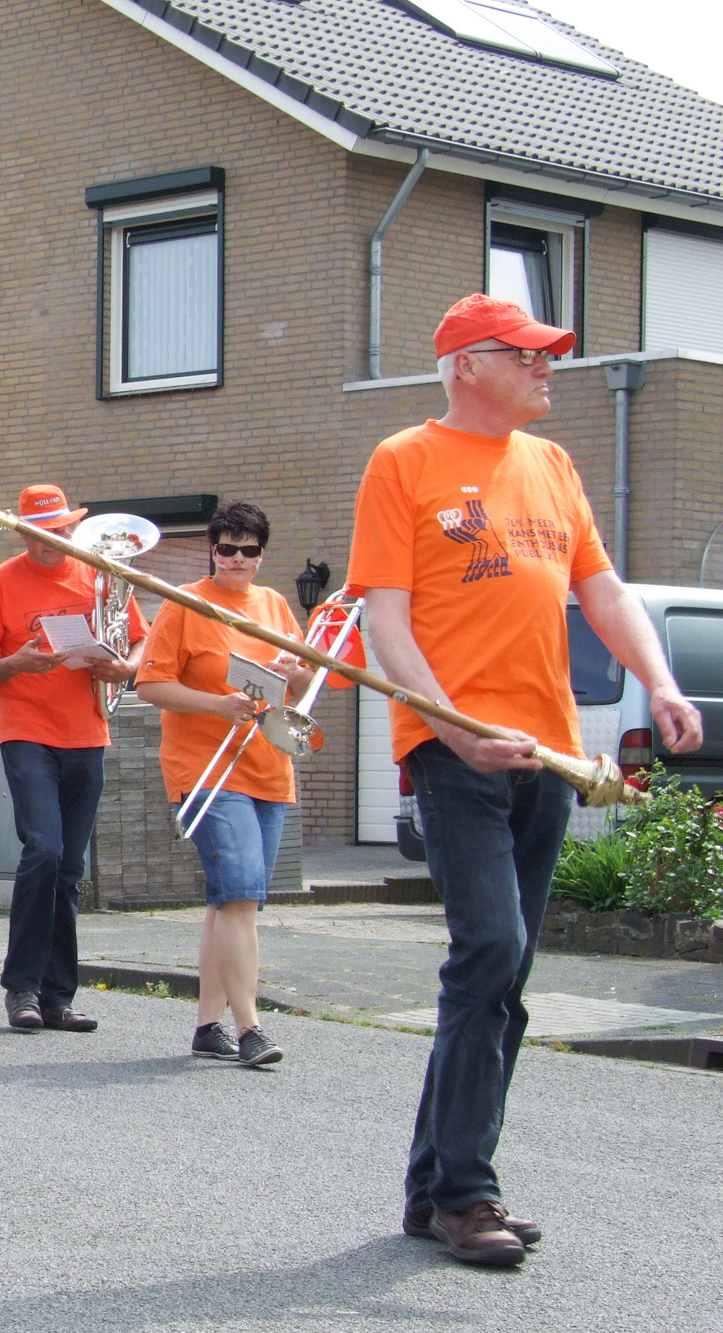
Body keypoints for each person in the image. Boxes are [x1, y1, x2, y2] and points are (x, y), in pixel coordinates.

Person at [349, 294, 701, 1267]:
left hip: (546, 751)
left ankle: (434, 1187)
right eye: (528, 354)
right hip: (455, 750)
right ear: (466, 364)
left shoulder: (551, 464)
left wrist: (660, 680)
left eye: (549, 355)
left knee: (503, 971)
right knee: (491, 948)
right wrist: (452, 728)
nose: (548, 368)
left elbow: (601, 591)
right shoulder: (402, 461)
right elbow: (384, 621)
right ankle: (466, 1193)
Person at [0, 484, 147, 1034]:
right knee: (43, 849)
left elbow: (141, 642)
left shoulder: (100, 575)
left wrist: (126, 668)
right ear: (23, 533)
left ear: (72, 528)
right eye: (42, 532)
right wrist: (15, 664)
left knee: (69, 868)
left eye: (62, 529)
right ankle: (21, 987)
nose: (54, 539)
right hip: (27, 732)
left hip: (88, 732)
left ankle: (57, 997)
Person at [135, 502, 314, 1066]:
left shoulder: (275, 605)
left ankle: (207, 1025)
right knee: (239, 894)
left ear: (262, 555)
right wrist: (218, 704)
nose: (237, 558)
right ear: (212, 551)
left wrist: (297, 672)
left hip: (268, 767)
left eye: (248, 550)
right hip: (206, 770)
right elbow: (150, 684)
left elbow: (304, 680)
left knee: (230, 901)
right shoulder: (186, 603)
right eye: (227, 548)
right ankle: (250, 1027)